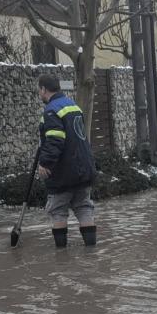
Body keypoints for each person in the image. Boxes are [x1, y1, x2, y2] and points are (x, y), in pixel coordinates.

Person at [37, 74, 97, 247]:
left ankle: (61, 257)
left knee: (58, 211)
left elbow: (56, 140)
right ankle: (91, 252)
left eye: (39, 90)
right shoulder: (73, 106)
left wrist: (45, 163)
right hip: (84, 168)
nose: (39, 94)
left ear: (43, 89)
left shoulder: (51, 110)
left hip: (64, 171)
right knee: (84, 207)